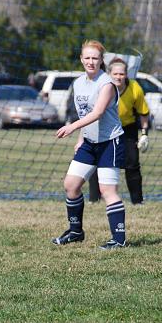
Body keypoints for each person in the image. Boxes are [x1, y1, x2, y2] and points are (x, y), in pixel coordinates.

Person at [52, 39, 128, 250]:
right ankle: (76, 232)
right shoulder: (78, 83)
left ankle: (119, 239)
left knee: (107, 190)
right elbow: (85, 114)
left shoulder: (107, 84)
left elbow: (98, 113)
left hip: (110, 142)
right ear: (81, 59)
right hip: (89, 142)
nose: (91, 62)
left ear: (102, 60)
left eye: (95, 58)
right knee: (71, 185)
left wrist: (72, 127)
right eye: (87, 58)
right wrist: (80, 138)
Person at [88, 57, 150, 205]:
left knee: (132, 164)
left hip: (127, 130)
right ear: (109, 74)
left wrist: (144, 134)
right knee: (97, 162)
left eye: (121, 74)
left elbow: (143, 113)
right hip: (104, 128)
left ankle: (137, 201)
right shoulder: (102, 86)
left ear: (126, 74)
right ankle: (94, 199)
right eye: (115, 74)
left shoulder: (135, 88)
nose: (118, 77)